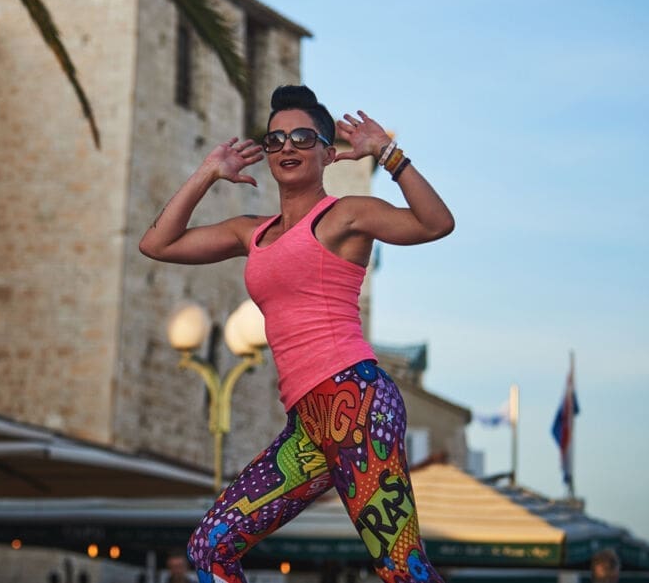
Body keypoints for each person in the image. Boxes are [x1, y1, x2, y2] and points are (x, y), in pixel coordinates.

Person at [139, 85, 454, 583]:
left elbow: (436, 224)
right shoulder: (252, 232)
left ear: (329, 154)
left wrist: (387, 154)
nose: (287, 146)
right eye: (276, 139)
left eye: (303, 138)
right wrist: (208, 173)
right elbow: (157, 244)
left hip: (356, 402)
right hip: (307, 424)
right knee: (210, 548)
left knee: (401, 567)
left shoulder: (346, 214)